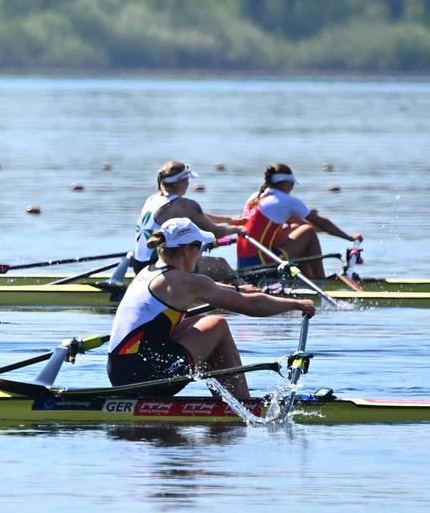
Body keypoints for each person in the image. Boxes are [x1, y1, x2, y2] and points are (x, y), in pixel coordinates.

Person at [107, 218, 315, 401]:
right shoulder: (186, 282)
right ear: (186, 250)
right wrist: (296, 304)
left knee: (196, 322)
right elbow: (250, 306)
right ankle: (241, 402)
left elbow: (211, 288)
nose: (201, 254)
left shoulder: (148, 272)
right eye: (201, 248)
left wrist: (237, 289)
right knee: (217, 324)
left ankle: (226, 397)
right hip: (145, 377)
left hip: (120, 372)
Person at [107, 161, 243, 285]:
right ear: (179, 182)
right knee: (221, 265)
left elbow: (200, 216)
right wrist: (239, 230)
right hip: (161, 266)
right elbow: (216, 232)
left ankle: (215, 291)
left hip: (139, 264)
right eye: (187, 180)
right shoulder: (185, 205)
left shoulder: (152, 199)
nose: (189, 184)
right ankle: (245, 296)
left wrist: (228, 220)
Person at [236, 163, 363, 279]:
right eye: (292, 185)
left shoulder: (255, 197)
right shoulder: (284, 200)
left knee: (299, 230)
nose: (292, 188)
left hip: (244, 265)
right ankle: (320, 281)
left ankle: (307, 279)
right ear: (285, 183)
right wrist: (349, 237)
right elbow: (320, 223)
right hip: (262, 264)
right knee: (308, 231)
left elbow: (298, 223)